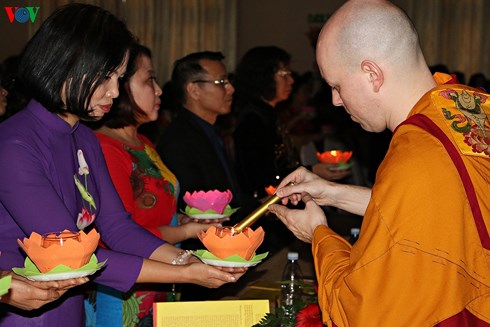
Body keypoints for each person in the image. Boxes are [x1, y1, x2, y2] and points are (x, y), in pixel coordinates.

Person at [0, 4, 244, 326]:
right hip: (23, 312)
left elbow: (117, 227)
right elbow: (71, 255)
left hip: (69, 308)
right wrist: (187, 274)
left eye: (118, 78)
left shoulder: (84, 137)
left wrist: (188, 259)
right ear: (66, 64)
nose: (114, 92)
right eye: (105, 77)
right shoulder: (15, 143)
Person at [269, 0, 490, 326]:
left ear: (372, 73)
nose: (335, 100)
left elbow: (364, 310)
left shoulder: (414, 154)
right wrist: (331, 192)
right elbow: (438, 207)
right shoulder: (470, 107)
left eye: (337, 85)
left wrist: (318, 234)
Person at [89, 43, 225, 325]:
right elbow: (117, 234)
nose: (159, 89)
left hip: (164, 276)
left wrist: (190, 221)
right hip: (126, 290)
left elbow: (154, 210)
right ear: (121, 87)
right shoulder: (105, 147)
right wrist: (186, 231)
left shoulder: (143, 142)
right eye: (149, 79)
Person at [233, 46, 350, 200]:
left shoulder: (269, 112)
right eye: (285, 74)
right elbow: (262, 176)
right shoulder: (253, 119)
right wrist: (313, 170)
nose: (291, 80)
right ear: (264, 76)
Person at [157, 51, 252, 223]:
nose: (231, 89)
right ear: (194, 90)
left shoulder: (209, 130)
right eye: (221, 82)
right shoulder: (179, 140)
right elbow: (196, 208)